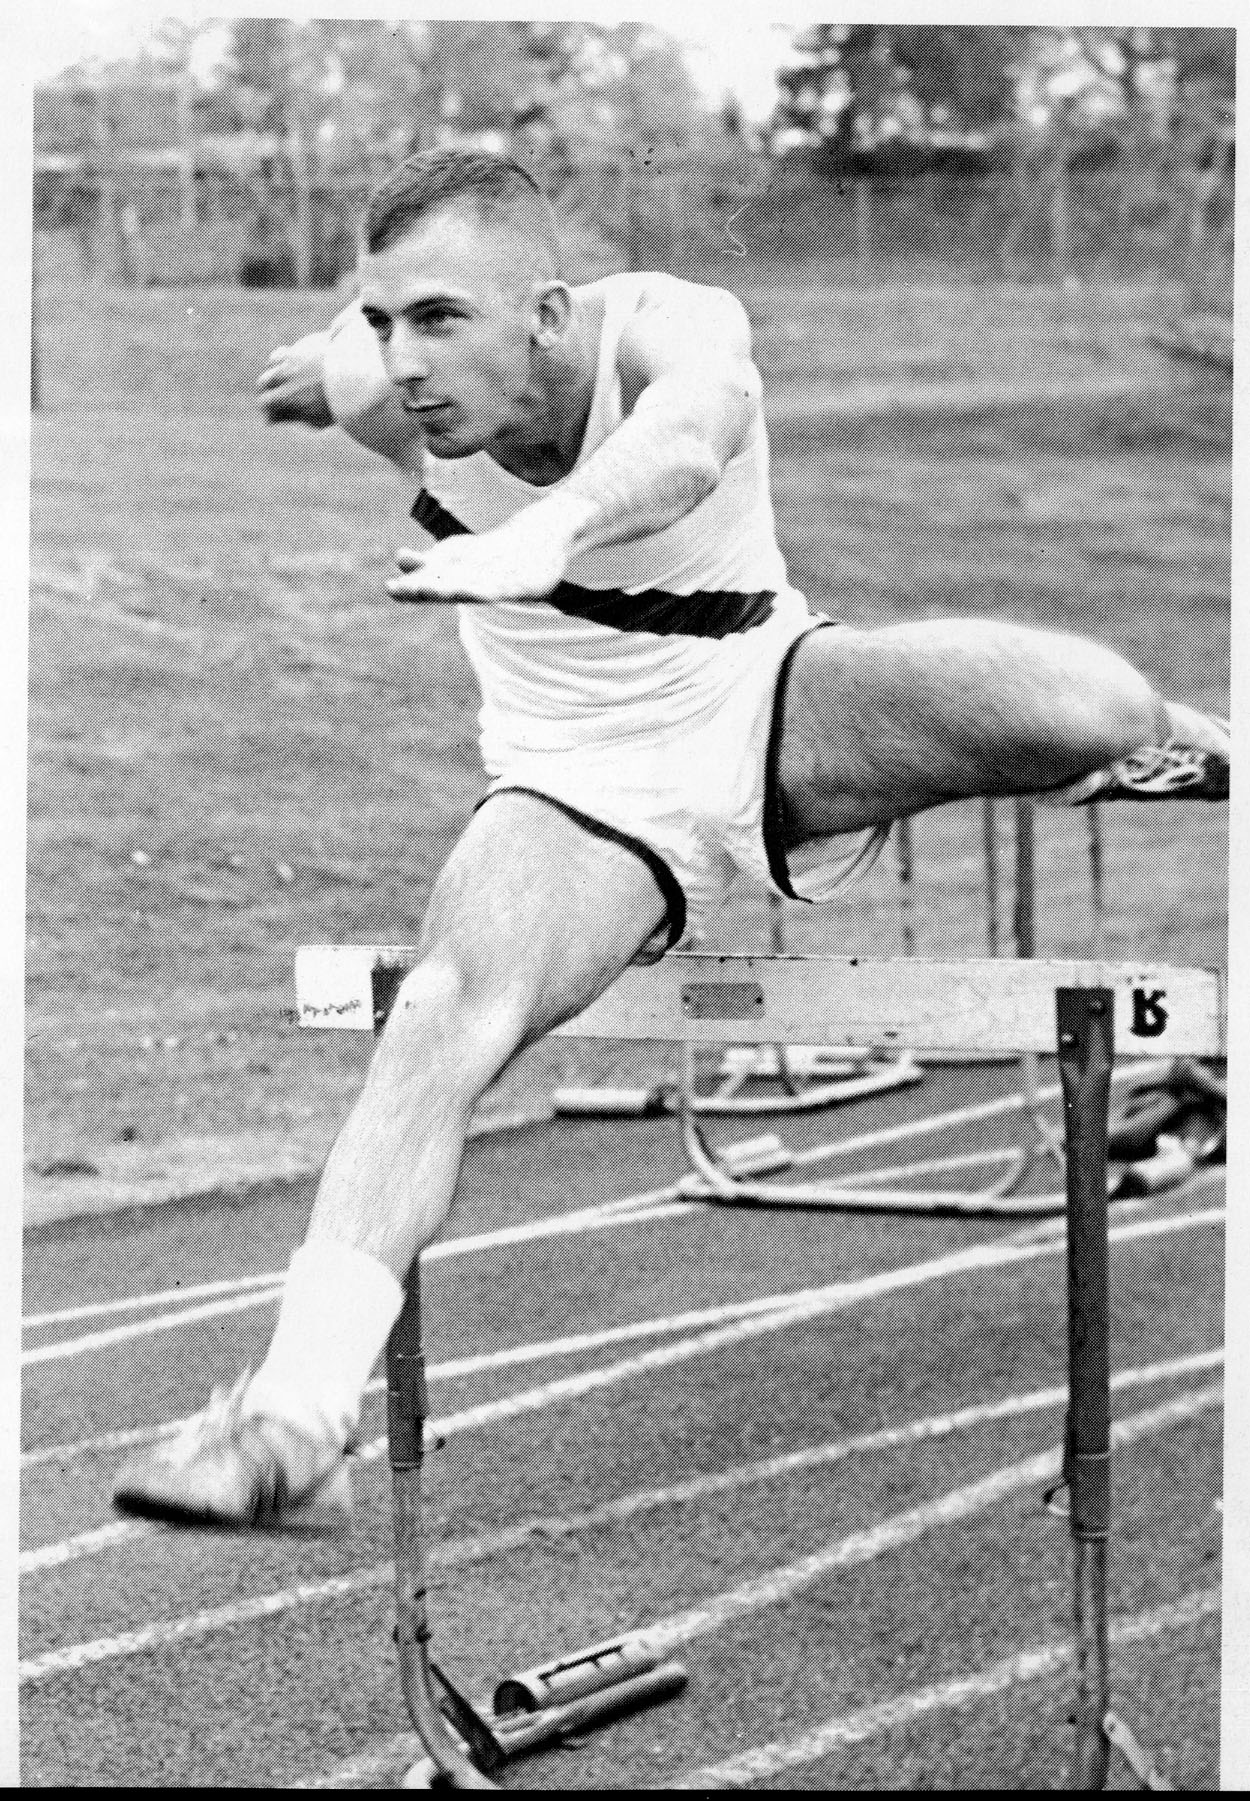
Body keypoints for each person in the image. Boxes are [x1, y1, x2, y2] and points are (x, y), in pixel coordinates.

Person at [113, 149, 1228, 1527]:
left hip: (767, 703)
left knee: (1091, 703)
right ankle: (290, 1416)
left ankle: (1154, 750)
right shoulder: (380, 386)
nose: (403, 362)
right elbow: (336, 360)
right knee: (444, 1006)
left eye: (439, 319)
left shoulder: (673, 325)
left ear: (550, 311)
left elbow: (690, 434)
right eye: (382, 322)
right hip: (572, 794)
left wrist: (558, 528)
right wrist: (315, 370)